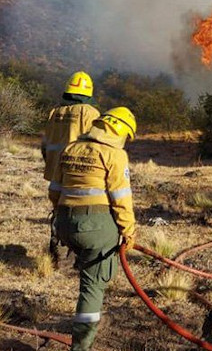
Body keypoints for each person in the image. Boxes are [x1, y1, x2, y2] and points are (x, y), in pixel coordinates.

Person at [54, 107, 137, 350]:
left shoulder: (71, 148)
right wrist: (128, 231)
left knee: (89, 268)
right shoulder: (114, 154)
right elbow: (121, 199)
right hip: (96, 226)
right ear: (120, 131)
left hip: (64, 222)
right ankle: (82, 345)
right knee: (92, 286)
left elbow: (54, 191)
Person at [42, 71, 100, 265]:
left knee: (59, 209)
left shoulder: (54, 112)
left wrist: (51, 163)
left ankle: (56, 247)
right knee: (78, 212)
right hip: (77, 172)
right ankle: (75, 255)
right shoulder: (90, 113)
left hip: (55, 171)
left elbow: (45, 144)